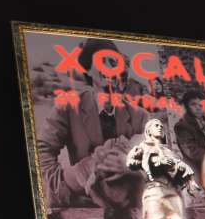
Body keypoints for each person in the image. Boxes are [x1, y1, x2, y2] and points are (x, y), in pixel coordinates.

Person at [35, 37, 147, 209]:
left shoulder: (139, 116)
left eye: (114, 62)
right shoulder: (69, 106)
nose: (109, 68)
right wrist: (67, 185)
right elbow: (41, 151)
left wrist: (131, 164)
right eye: (102, 61)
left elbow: (156, 158)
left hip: (128, 203)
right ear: (88, 70)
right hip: (85, 202)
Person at [128, 118, 193, 219]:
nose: (159, 128)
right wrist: (155, 161)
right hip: (154, 190)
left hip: (172, 193)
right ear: (148, 130)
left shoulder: (168, 151)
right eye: (155, 125)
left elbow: (180, 172)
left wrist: (177, 168)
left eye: (161, 126)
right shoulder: (142, 147)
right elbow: (131, 163)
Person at [174, 90, 205, 171]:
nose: (198, 108)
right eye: (193, 104)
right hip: (198, 164)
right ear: (187, 107)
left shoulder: (204, 119)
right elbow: (192, 152)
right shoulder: (182, 126)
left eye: (201, 105)